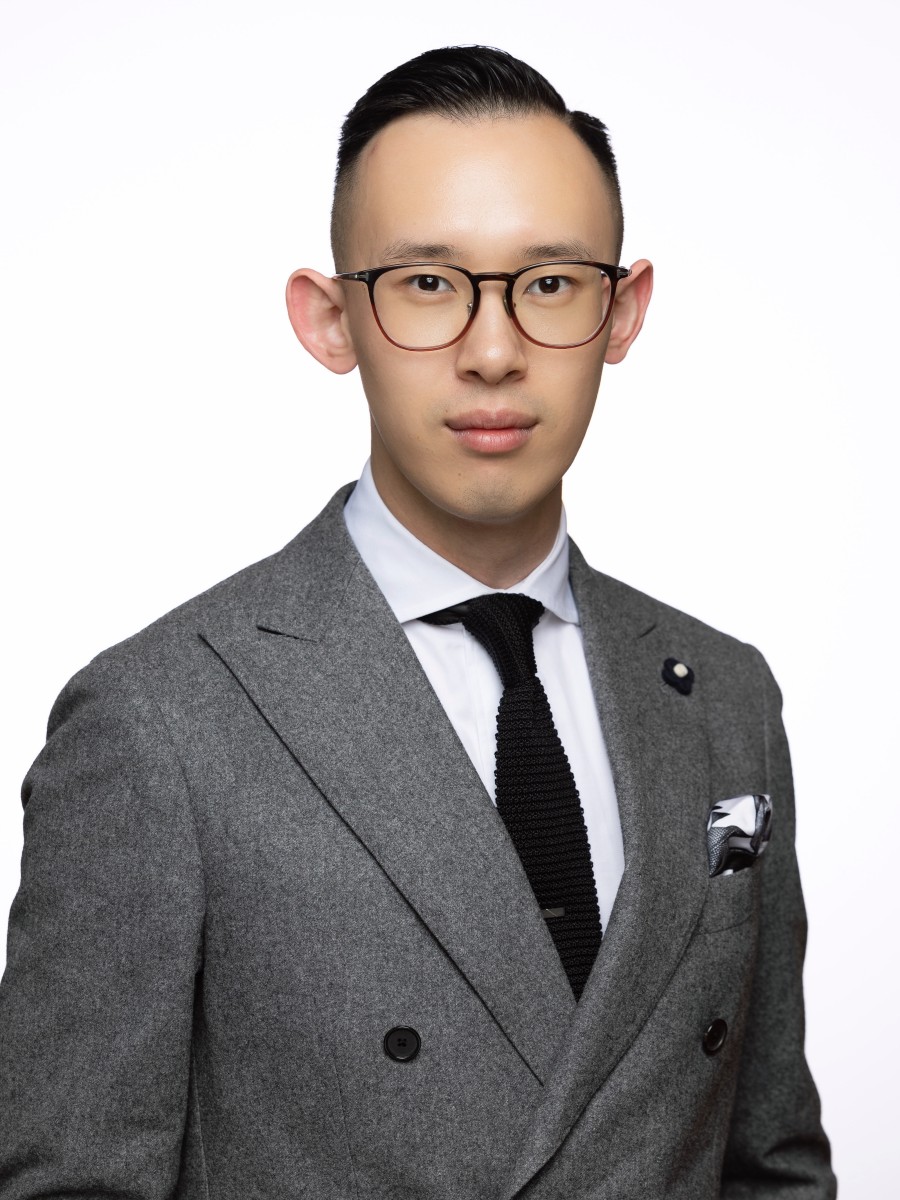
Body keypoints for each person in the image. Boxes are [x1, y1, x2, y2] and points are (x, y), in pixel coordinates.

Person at [0, 45, 835, 1200]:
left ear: (623, 311)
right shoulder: (159, 720)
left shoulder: (724, 695)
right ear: (329, 320)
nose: (493, 354)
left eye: (549, 283)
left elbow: (772, 1165)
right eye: (428, 285)